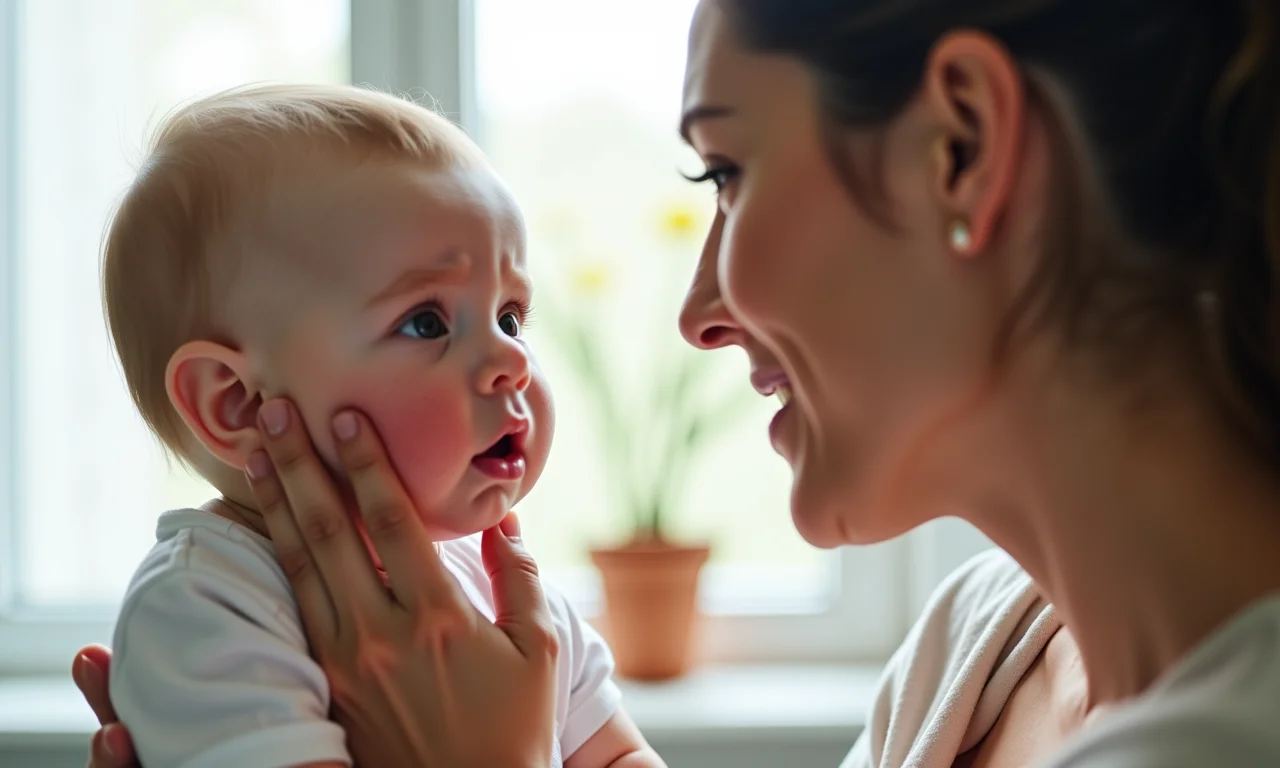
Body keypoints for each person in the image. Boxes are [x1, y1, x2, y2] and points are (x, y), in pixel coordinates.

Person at [74, 0, 1280, 765]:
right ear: (229, 401)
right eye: (425, 320)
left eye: (727, 173)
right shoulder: (969, 654)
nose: (697, 313)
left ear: (958, 149)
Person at [83, 84, 661, 768]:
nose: (512, 360)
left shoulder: (512, 600)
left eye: (509, 317)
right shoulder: (206, 607)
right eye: (427, 323)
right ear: (236, 403)